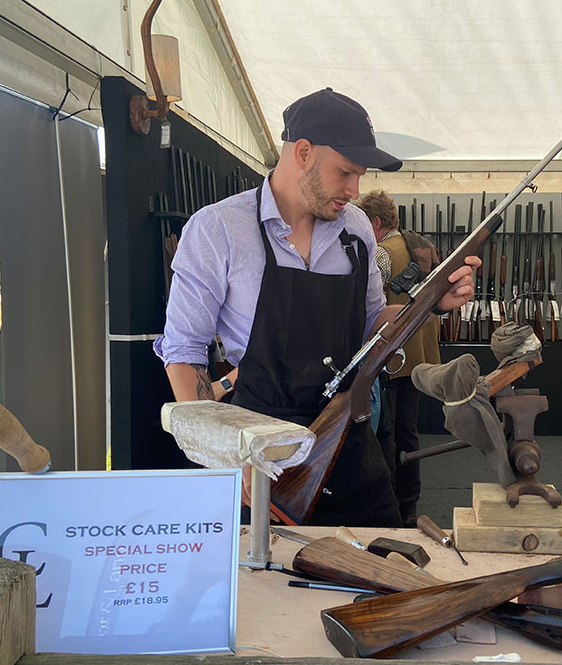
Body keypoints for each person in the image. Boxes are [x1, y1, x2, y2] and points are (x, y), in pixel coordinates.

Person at [154, 88, 478, 526]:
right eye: (345, 172)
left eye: (360, 176)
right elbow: (184, 353)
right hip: (257, 456)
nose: (355, 190)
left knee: (380, 575)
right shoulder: (217, 230)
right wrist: (231, 454)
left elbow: (370, 324)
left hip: (349, 445)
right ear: (302, 152)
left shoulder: (357, 228)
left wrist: (429, 303)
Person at [357, 189, 441, 526]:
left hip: (392, 357)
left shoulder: (380, 253)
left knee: (385, 435)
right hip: (420, 356)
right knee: (409, 432)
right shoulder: (422, 247)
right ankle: (409, 505)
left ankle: (389, 502)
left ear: (375, 222)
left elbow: (365, 303)